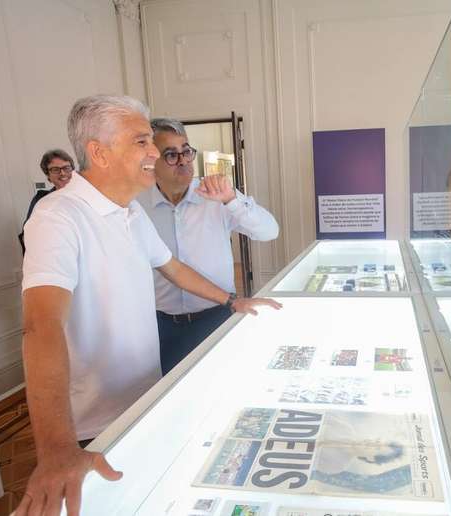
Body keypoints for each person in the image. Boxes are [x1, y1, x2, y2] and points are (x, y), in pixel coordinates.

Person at [15, 95, 281, 516]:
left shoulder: (129, 214)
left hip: (142, 397)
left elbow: (172, 267)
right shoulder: (57, 216)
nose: (155, 153)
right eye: (142, 142)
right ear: (99, 152)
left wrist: (232, 300)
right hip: (93, 422)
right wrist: (56, 449)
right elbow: (41, 325)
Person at [137, 118, 279, 374]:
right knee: (170, 393)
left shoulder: (215, 197)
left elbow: (269, 231)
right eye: (170, 154)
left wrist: (232, 200)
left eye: (186, 151)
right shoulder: (137, 206)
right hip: (162, 325)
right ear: (151, 160)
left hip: (217, 314)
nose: (183, 161)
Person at [17, 149, 75, 253]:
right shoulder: (41, 200)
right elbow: (27, 234)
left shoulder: (88, 196)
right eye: (55, 169)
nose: (62, 173)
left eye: (66, 168)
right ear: (48, 176)